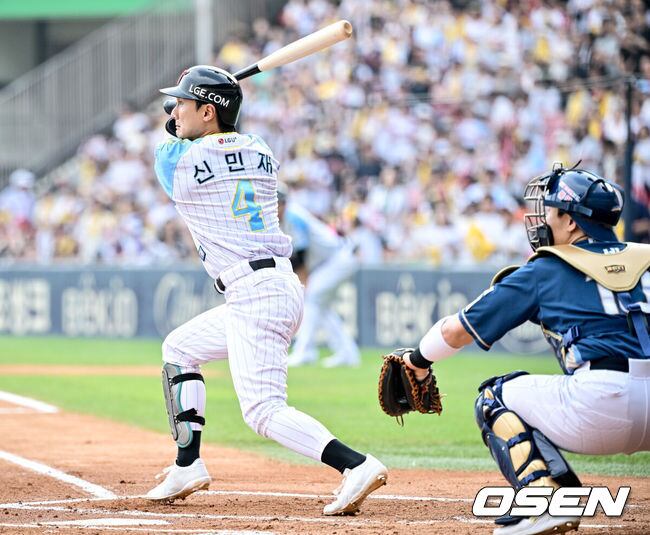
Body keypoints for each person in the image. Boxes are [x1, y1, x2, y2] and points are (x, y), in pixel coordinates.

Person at [144, 65, 387, 515]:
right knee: (179, 348)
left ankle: (355, 464)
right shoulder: (260, 148)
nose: (175, 111)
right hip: (271, 286)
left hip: (255, 291)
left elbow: (169, 144)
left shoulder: (177, 161)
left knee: (263, 411)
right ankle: (187, 464)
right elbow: (204, 135)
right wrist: (200, 105)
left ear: (208, 112)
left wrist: (181, 119)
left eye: (183, 103)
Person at [398, 163, 650, 535]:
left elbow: (456, 330)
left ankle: (544, 500)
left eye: (551, 211)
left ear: (571, 221)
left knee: (493, 398)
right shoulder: (645, 258)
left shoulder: (546, 269)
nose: (542, 219)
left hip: (601, 403)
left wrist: (417, 360)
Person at [277, 185, 361, 367]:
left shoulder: (292, 215)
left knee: (313, 298)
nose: (274, 207)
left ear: (282, 203)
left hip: (338, 257)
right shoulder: (285, 217)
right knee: (321, 306)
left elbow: (301, 253)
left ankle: (305, 351)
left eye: (276, 203)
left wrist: (303, 281)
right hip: (329, 261)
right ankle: (347, 353)